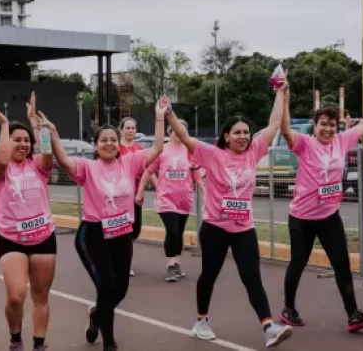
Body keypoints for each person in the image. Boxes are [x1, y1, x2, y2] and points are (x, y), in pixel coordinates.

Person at [165, 86, 293, 347]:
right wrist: (168, 114)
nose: (243, 136)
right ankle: (201, 320)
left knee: (252, 278)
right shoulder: (213, 155)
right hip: (215, 228)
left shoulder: (254, 152)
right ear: (226, 136)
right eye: (237, 132)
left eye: (246, 132)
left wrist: (280, 92)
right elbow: (185, 137)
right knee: (209, 275)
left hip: (244, 229)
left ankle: (268, 327)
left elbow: (273, 123)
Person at [38, 100, 168, 351]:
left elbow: (158, 147)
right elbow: (64, 160)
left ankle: (97, 314)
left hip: (121, 234)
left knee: (120, 289)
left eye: (112, 139)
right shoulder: (88, 167)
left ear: (118, 144)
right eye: (103, 140)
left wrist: (160, 117)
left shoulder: (129, 163)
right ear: (96, 146)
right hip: (94, 234)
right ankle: (109, 341)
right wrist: (53, 136)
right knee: (107, 286)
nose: (108, 143)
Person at [278, 83, 363, 332]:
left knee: (342, 263)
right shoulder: (305, 144)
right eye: (323, 124)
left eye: (332, 124)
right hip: (302, 217)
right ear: (315, 126)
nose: (328, 128)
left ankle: (353, 314)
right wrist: (285, 100)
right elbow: (285, 129)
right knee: (298, 262)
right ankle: (288, 308)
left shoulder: (342, 141)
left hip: (329, 216)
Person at [0, 92, 56, 351]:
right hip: (12, 238)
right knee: (16, 296)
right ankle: (15, 337)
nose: (23, 144)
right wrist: (5, 126)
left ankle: (38, 343)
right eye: (17, 140)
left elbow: (47, 154)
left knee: (40, 295)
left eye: (26, 140)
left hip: (44, 236)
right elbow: (2, 160)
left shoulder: (37, 165)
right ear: (7, 142)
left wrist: (35, 123)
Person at [135, 118, 205, 282]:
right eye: (175, 130)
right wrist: (140, 191)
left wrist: (205, 192)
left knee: (179, 232)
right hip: (166, 198)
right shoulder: (162, 150)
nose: (178, 133)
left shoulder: (190, 151)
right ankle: (170, 265)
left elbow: (196, 175)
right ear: (170, 131)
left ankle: (178, 262)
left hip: (184, 199)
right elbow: (148, 171)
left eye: (182, 130)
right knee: (172, 231)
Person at [118, 117, 144, 277]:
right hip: (120, 196)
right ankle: (125, 262)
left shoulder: (140, 149)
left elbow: (146, 170)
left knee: (135, 230)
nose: (130, 130)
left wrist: (141, 190)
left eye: (133, 128)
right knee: (123, 230)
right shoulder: (116, 148)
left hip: (135, 194)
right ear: (121, 130)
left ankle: (123, 253)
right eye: (127, 128)